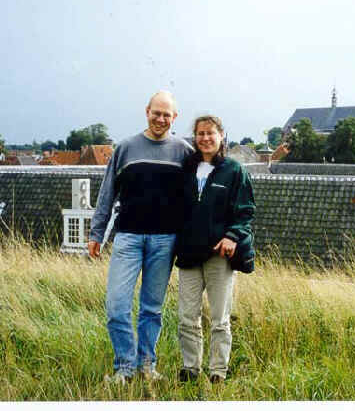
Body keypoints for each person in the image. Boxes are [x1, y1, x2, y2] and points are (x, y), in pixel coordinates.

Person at [88, 90, 194, 384]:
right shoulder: (125, 149)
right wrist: (97, 232)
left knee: (151, 309)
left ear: (175, 117)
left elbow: (193, 201)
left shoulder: (184, 153)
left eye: (166, 114)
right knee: (117, 306)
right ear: (146, 111)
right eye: (156, 113)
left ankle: (147, 365)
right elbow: (107, 193)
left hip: (165, 241)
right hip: (128, 238)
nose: (161, 119)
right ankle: (125, 367)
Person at [174, 115, 256, 384]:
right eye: (200, 134)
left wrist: (233, 236)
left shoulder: (234, 171)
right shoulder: (184, 169)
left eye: (210, 133)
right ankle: (190, 369)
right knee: (187, 317)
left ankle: (218, 372)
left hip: (219, 255)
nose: (205, 138)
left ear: (221, 136)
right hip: (188, 253)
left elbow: (245, 212)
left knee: (220, 318)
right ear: (195, 138)